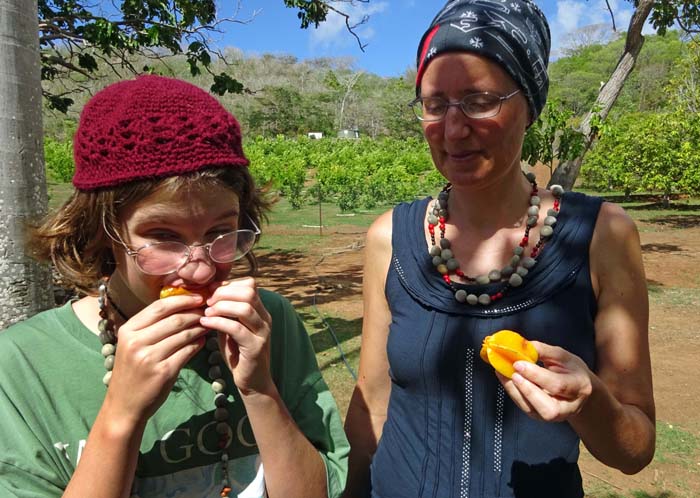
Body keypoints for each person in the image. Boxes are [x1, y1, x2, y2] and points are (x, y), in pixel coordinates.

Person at [342, 1, 655, 497]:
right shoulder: (390, 238)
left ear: (529, 105)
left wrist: (591, 402)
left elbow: (636, 450)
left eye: (479, 100)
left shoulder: (601, 236)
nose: (452, 128)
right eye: (434, 103)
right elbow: (372, 408)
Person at [0, 75, 348, 498]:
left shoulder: (272, 324)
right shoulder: (21, 365)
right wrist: (121, 416)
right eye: (164, 236)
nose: (200, 271)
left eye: (221, 231)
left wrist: (260, 391)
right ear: (103, 231)